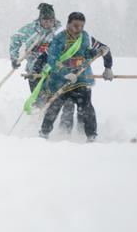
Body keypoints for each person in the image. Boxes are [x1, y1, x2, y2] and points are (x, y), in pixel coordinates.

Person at [31, 12, 112, 142]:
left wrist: (105, 63)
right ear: (68, 24)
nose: (78, 29)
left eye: (81, 26)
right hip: (60, 81)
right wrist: (65, 73)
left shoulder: (86, 37)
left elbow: (93, 52)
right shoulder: (58, 39)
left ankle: (91, 137)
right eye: (75, 26)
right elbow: (52, 60)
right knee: (54, 107)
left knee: (86, 107)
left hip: (81, 79)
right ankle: (44, 135)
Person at [9, 2, 74, 132]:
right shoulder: (30, 29)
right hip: (35, 70)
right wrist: (14, 58)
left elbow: (70, 47)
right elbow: (14, 40)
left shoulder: (60, 31)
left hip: (56, 70)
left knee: (63, 100)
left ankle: (64, 130)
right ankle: (36, 128)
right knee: (39, 101)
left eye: (51, 20)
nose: (48, 23)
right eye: (45, 20)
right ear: (40, 19)